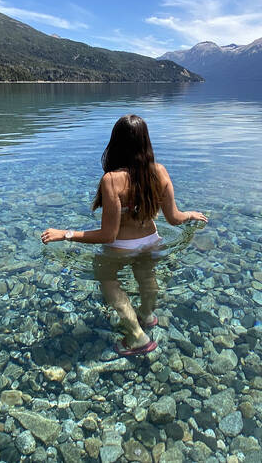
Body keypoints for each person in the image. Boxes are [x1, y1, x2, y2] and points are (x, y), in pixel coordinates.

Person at [41, 114, 207, 356]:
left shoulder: (111, 180)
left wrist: (65, 234)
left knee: (107, 279)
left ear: (115, 144)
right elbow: (174, 218)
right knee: (146, 277)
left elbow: (108, 235)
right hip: (152, 241)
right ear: (145, 142)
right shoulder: (160, 172)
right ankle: (148, 316)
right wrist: (190, 214)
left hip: (120, 248)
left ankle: (138, 337)